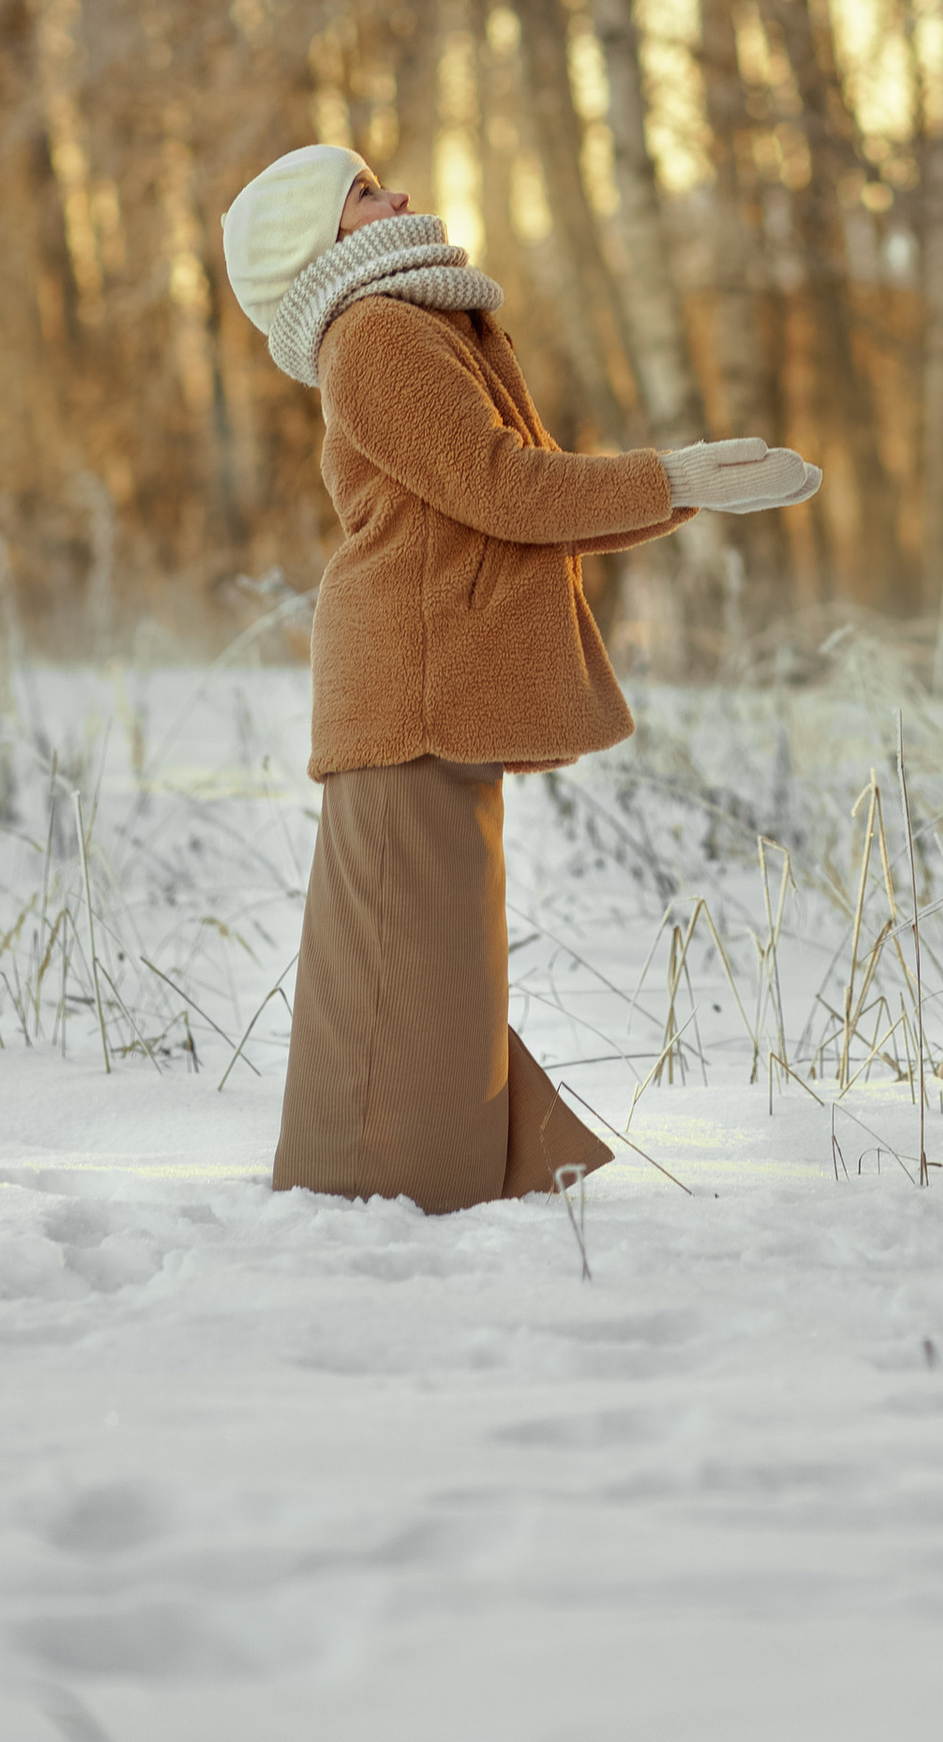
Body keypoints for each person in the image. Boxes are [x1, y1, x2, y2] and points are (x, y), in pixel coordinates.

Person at [220, 141, 817, 1218]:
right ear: (317, 239)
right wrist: (678, 479)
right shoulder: (379, 338)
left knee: (430, 951)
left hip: (433, 679)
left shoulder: (417, 324)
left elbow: (519, 507)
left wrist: (678, 489)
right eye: (362, 192)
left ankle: (431, 1173)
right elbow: (509, 491)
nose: (395, 193)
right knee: (408, 951)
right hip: (413, 683)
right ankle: (380, 1188)